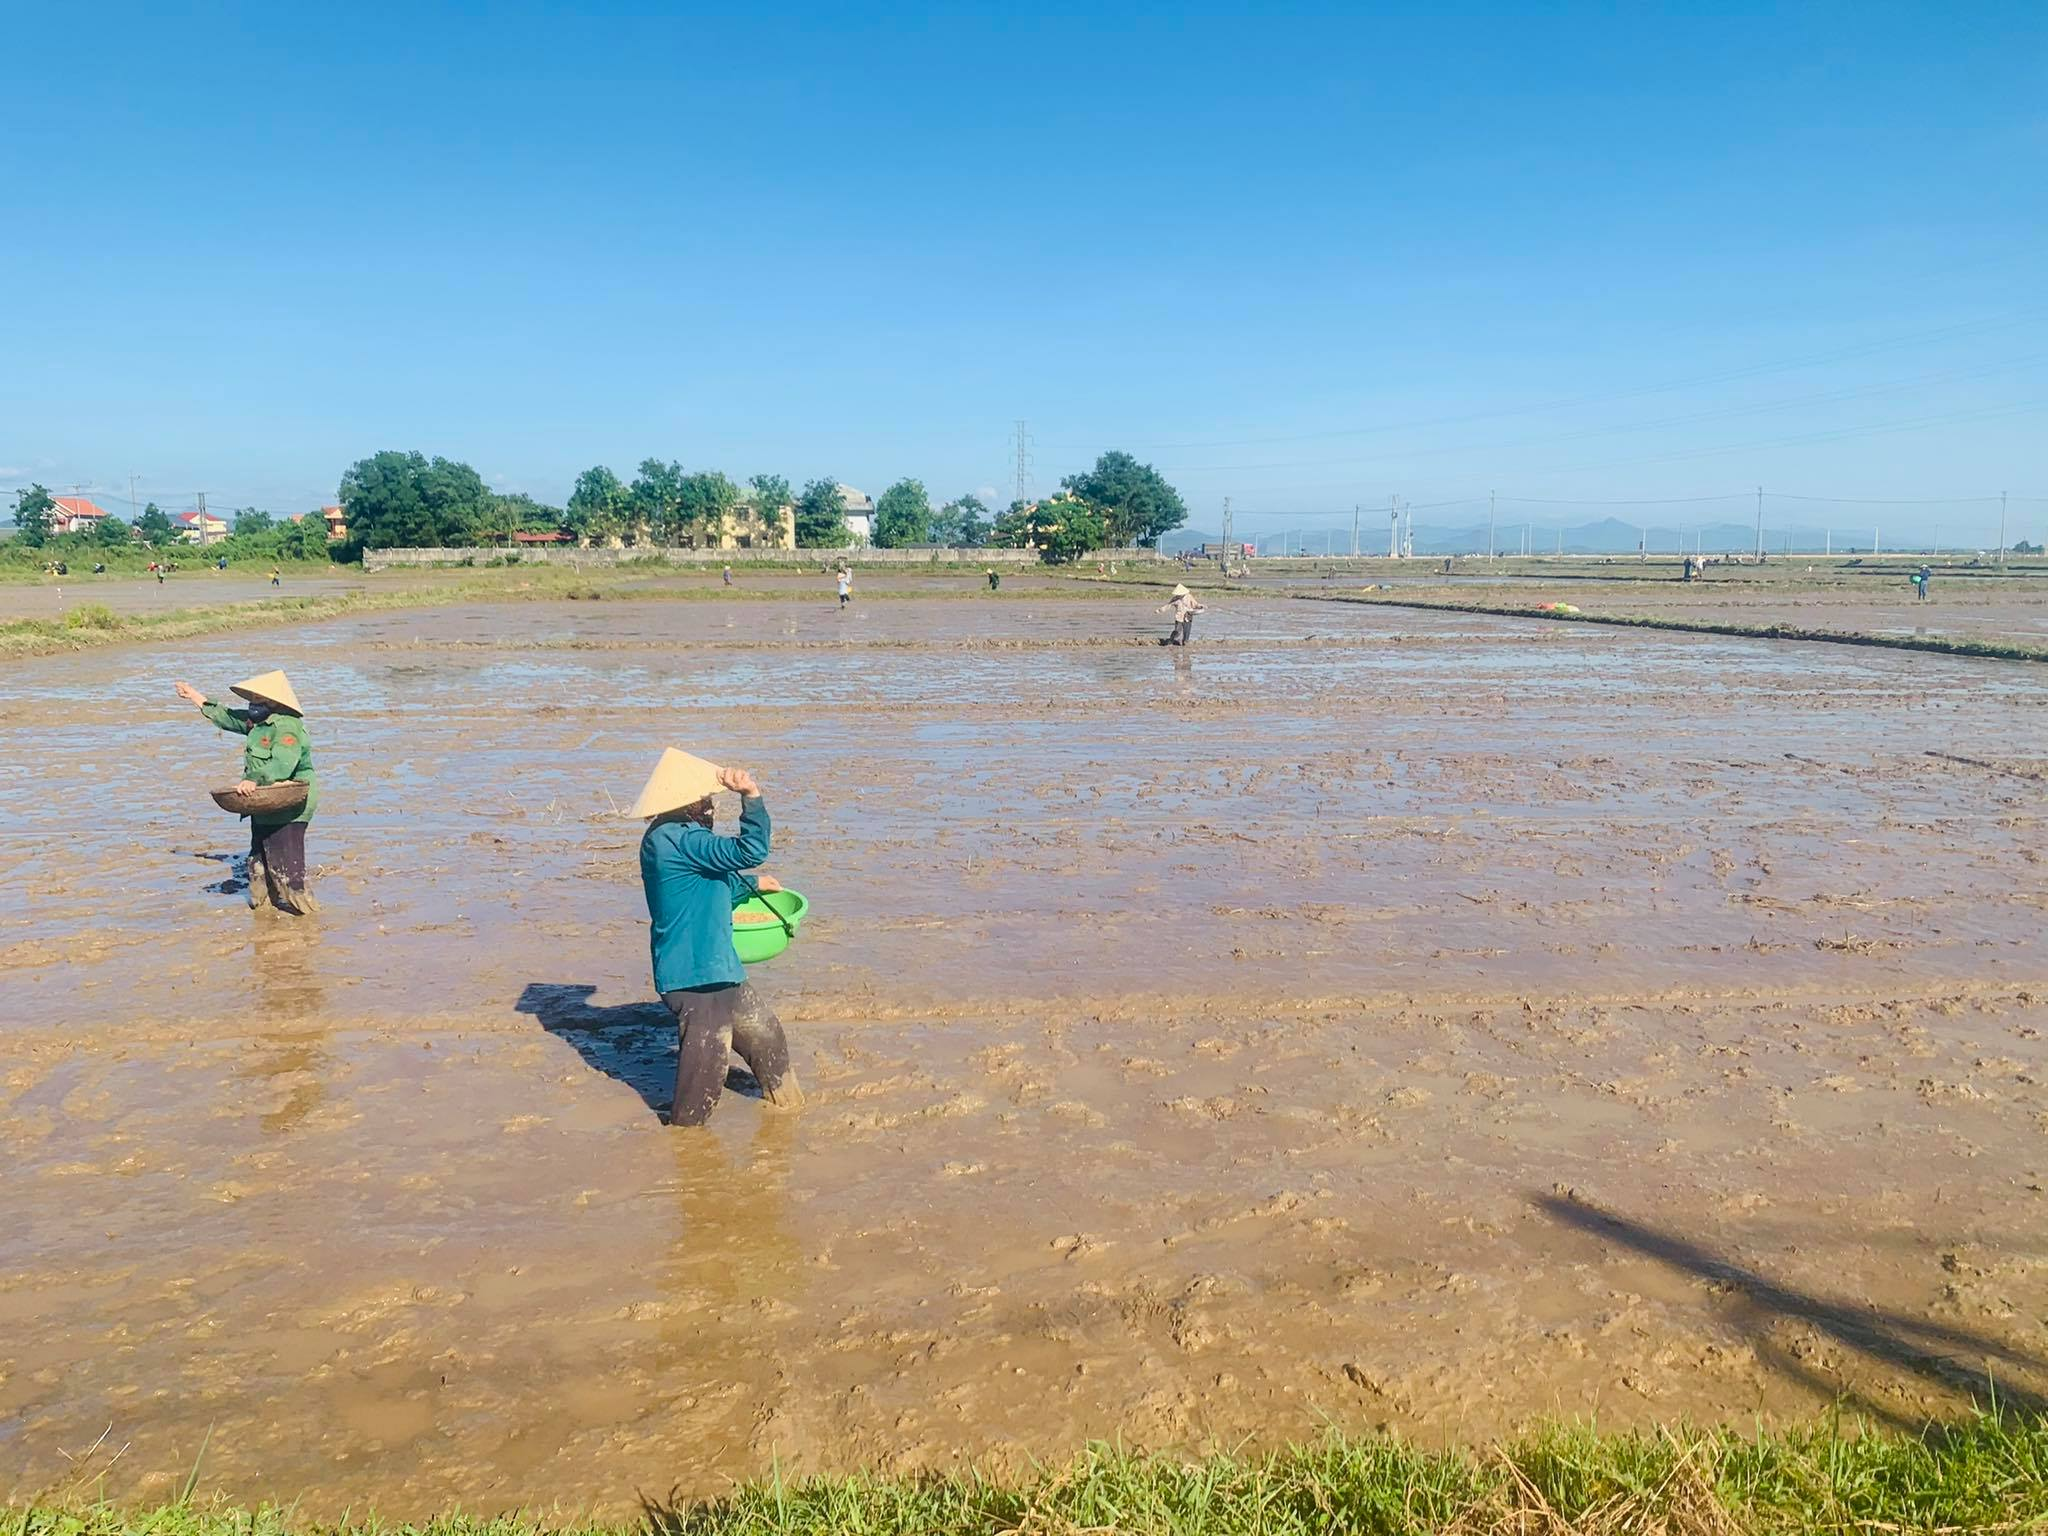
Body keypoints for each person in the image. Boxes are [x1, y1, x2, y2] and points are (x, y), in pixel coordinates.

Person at [631, 748, 803, 1126]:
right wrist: (751, 797)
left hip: (719, 969)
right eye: (705, 801)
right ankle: (686, 1151)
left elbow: (706, 884)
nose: (710, 808)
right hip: (694, 978)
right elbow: (751, 849)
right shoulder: (675, 839)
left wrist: (754, 886)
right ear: (685, 803)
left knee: (768, 1039)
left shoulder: (676, 838)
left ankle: (789, 1113)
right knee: (704, 1081)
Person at [173, 670, 318, 915]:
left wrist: (253, 779)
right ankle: (264, 912)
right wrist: (194, 696)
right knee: (258, 865)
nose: (252, 705)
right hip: (264, 803)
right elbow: (226, 717)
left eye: (257, 699)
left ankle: (307, 916)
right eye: (251, 699)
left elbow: (283, 764)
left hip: (289, 805)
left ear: (273, 702)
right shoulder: (256, 723)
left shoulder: (287, 727)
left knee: (286, 870)